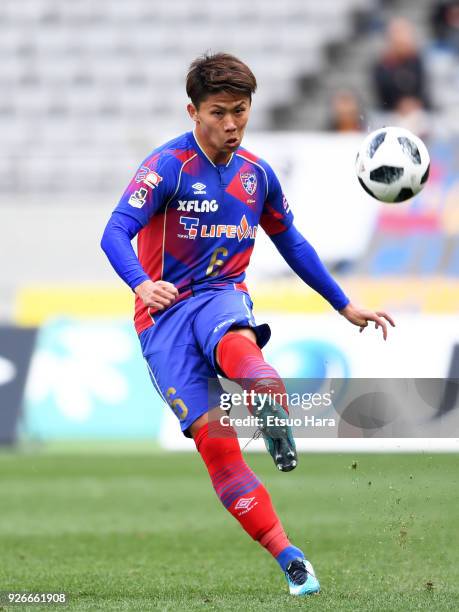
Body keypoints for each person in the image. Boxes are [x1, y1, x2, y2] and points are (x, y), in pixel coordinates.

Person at [101, 52, 395, 597]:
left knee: (238, 343)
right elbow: (114, 233)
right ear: (193, 111)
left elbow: (292, 242)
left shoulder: (256, 175)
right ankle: (289, 557)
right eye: (218, 113)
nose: (232, 124)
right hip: (161, 316)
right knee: (218, 449)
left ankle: (267, 397)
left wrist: (343, 304)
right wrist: (141, 283)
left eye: (240, 111)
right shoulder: (166, 167)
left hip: (219, 295)